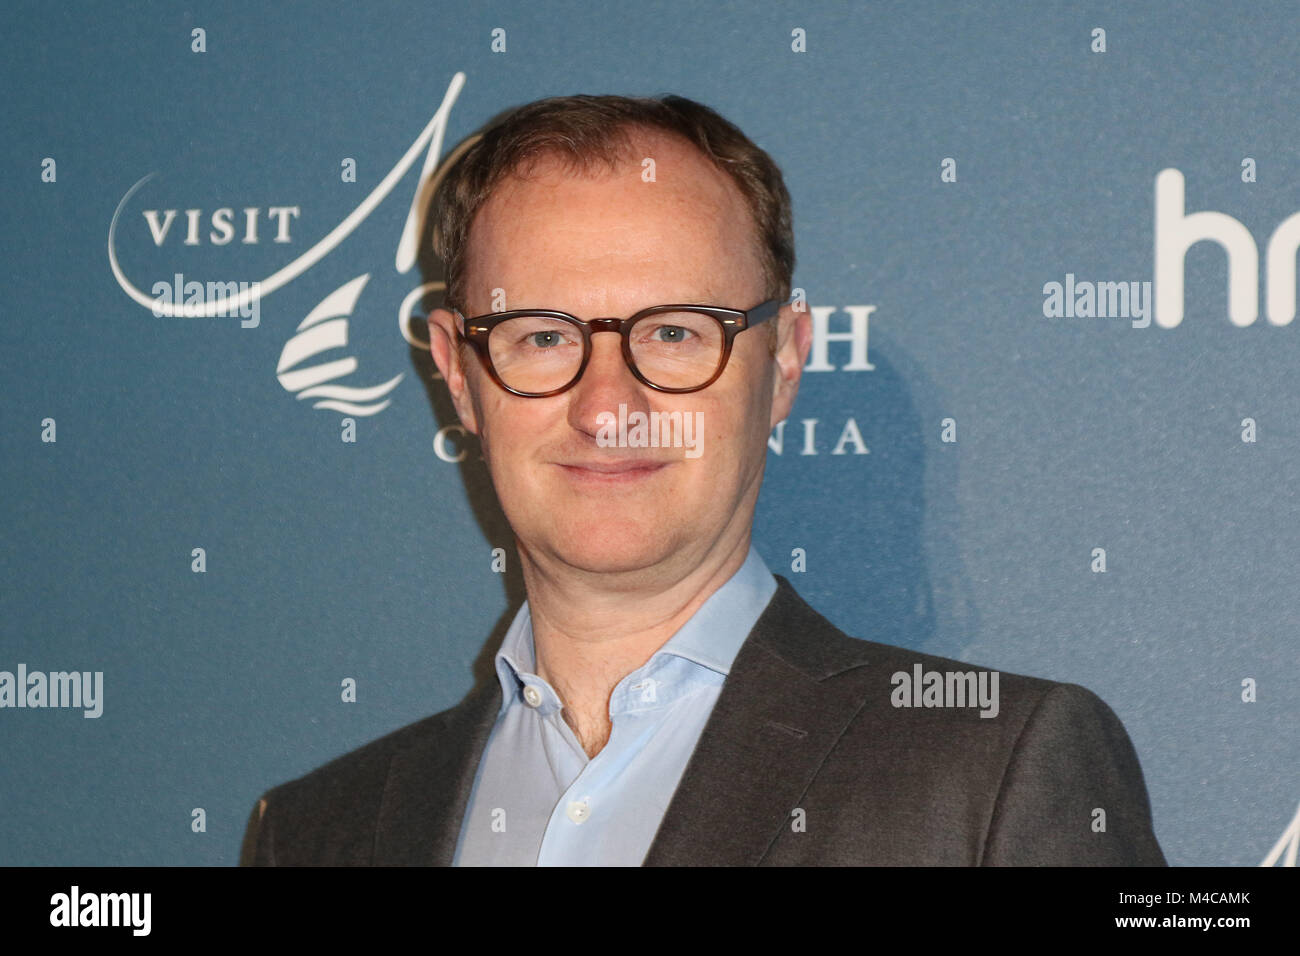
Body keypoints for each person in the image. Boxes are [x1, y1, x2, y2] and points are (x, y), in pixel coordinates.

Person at [239, 93, 1166, 866]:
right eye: (545, 336)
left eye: (676, 332)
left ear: (786, 363)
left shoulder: (993, 775)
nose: (608, 407)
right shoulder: (320, 834)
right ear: (459, 374)